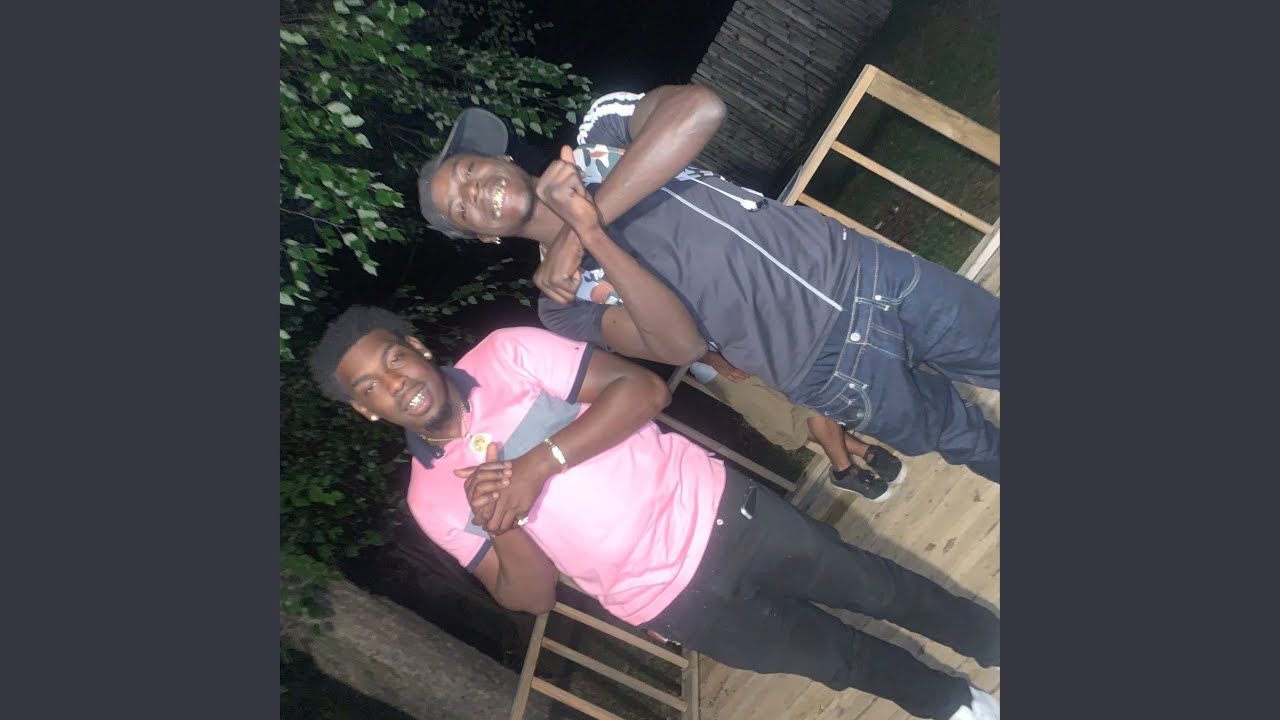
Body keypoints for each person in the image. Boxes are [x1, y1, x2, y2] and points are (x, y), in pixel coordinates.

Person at [306, 311, 1002, 720]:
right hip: (671, 603)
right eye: (372, 387)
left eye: (394, 359)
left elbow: (641, 390)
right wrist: (502, 526)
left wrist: (538, 464)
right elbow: (532, 596)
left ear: (418, 349)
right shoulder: (430, 498)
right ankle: (956, 704)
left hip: (724, 514)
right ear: (367, 410)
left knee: (880, 588)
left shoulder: (508, 354)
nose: (396, 383)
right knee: (837, 660)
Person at [415, 86, 1002, 483]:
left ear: (499, 160)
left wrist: (579, 224)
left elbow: (699, 110)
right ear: (483, 237)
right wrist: (590, 236)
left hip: (866, 274)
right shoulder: (560, 306)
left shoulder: (602, 131)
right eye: (460, 207)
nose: (473, 191)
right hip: (822, 369)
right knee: (970, 442)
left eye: (468, 171)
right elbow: (681, 346)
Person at [690, 350, 905, 501]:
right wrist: (711, 358)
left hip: (752, 339)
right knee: (789, 420)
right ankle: (853, 462)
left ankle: (850, 467)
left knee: (809, 396)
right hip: (719, 369)